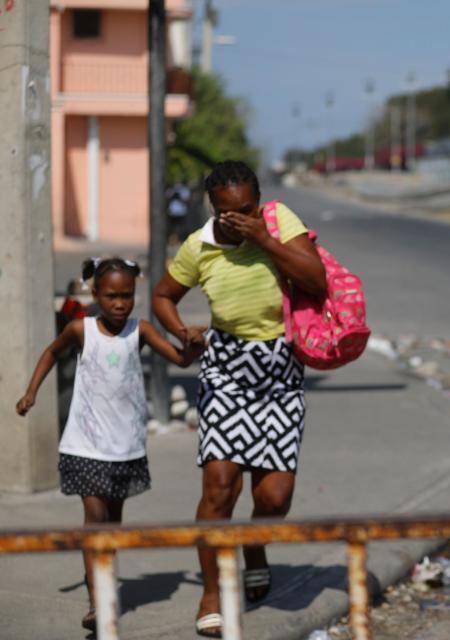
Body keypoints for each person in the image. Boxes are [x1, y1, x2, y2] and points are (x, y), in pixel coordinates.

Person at [151, 160, 327, 638]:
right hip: (226, 370)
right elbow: (163, 295)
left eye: (247, 209)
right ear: (213, 209)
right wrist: (182, 333)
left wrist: (264, 238)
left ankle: (253, 547)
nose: (239, 219)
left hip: (280, 370)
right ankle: (211, 591)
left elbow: (316, 279)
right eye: (229, 213)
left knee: (274, 497)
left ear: (258, 201)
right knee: (219, 487)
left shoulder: (278, 222)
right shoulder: (199, 247)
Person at [15, 257, 202, 632]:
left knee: (112, 527)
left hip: (125, 447)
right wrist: (31, 391)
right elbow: (52, 352)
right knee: (94, 522)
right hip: (85, 445)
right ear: (95, 294)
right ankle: (97, 600)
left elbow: (180, 360)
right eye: (112, 296)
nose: (120, 304)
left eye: (128, 296)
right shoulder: (81, 330)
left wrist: (192, 342)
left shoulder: (141, 330)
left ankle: (105, 583)